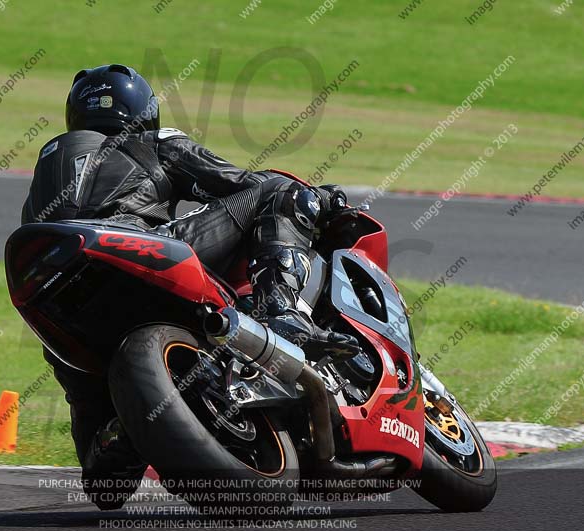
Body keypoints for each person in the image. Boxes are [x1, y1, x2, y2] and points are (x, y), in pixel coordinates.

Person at [21, 64, 359, 508]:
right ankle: (282, 311)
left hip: (61, 300)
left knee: (104, 483)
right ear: (143, 109)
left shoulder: (43, 177)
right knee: (280, 191)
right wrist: (321, 201)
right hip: (136, 252)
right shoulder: (150, 140)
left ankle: (118, 433)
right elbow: (241, 184)